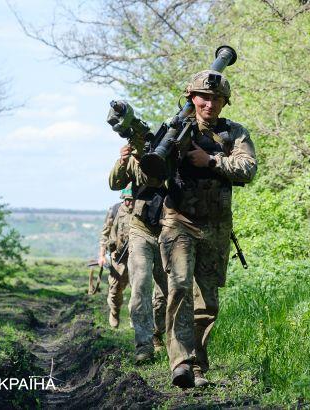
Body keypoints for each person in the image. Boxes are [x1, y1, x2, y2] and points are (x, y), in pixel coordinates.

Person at [158, 70, 257, 387]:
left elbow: (247, 169)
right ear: (192, 98)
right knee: (181, 287)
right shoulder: (174, 129)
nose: (209, 103)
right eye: (203, 97)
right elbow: (149, 170)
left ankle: (197, 364)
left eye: (216, 98)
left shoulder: (233, 133)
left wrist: (211, 161)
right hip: (179, 222)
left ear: (224, 102)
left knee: (208, 302)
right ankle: (181, 363)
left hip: (216, 226)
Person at [109, 146, 168, 364]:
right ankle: (143, 345)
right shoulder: (136, 160)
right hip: (141, 229)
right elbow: (114, 184)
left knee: (168, 289)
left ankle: (160, 335)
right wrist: (123, 161)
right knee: (141, 284)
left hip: (170, 230)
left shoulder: (174, 154)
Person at [98, 185, 134, 328]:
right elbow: (104, 234)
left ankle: (134, 318)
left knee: (137, 289)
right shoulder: (114, 210)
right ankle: (114, 311)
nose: (130, 203)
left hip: (136, 256)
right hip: (117, 257)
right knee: (115, 290)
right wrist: (101, 255)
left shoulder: (141, 211)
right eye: (127, 200)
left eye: (132, 200)